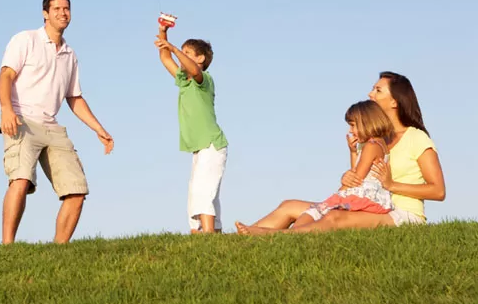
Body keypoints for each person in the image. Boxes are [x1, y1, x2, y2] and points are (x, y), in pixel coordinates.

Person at [236, 71, 446, 235]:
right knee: (289, 206)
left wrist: (392, 185)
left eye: (378, 90)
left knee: (334, 219)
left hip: (402, 214)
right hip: (369, 205)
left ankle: (269, 235)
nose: (370, 94)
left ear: (395, 101)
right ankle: (236, 241)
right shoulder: (373, 139)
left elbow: (438, 191)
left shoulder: (416, 138)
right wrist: (349, 169)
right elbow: (361, 179)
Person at [0, 0, 114, 244]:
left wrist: (99, 129)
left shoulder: (70, 54)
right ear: (45, 14)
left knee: (77, 191)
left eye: (67, 9)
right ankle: (7, 249)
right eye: (57, 9)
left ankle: (58, 251)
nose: (63, 13)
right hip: (21, 120)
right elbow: (5, 75)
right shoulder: (25, 39)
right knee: (20, 180)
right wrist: (6, 109)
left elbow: (74, 98)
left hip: (52, 127)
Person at [154, 23, 228, 233]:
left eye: (187, 53)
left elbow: (193, 69)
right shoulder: (183, 81)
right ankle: (203, 235)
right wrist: (163, 33)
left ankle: (206, 239)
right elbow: (165, 58)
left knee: (203, 192)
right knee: (198, 194)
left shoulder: (203, 80)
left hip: (212, 144)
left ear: (200, 59)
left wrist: (175, 48)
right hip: (200, 148)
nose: (180, 56)